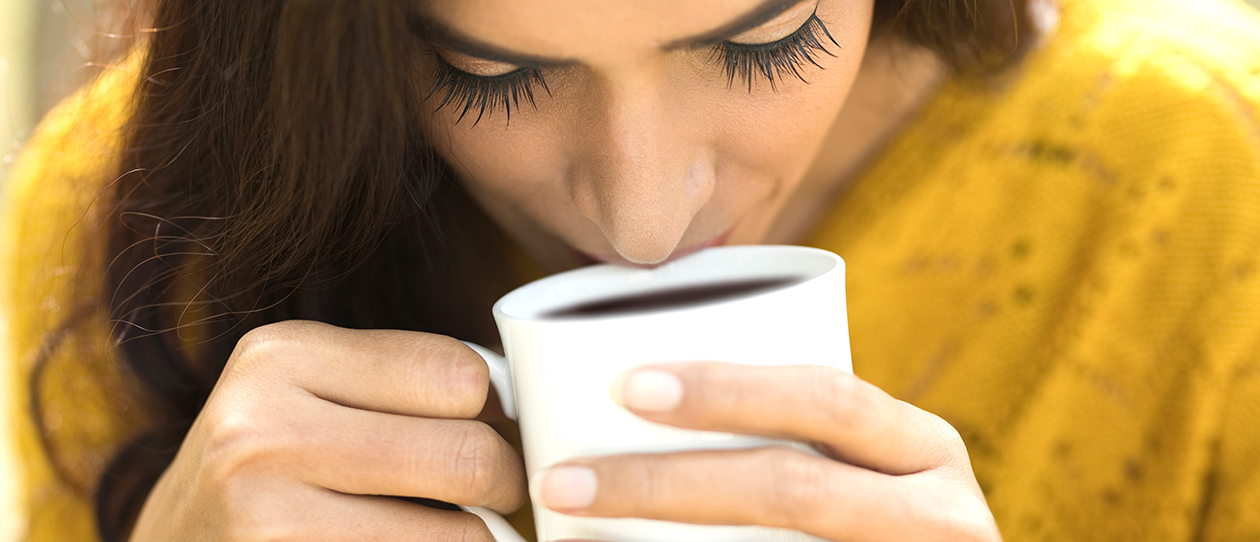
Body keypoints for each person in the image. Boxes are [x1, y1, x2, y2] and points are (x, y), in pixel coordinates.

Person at [4, 0, 1260, 539]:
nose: (646, 220)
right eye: (492, 74)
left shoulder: (1211, 186)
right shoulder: (134, 230)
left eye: (763, 42)